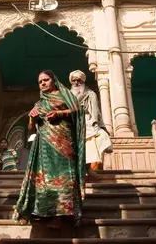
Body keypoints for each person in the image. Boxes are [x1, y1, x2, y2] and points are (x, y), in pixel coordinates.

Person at [14, 70, 86, 230]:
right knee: (44, 180)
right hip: (43, 147)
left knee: (63, 177)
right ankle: (43, 212)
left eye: (46, 80)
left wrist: (60, 113)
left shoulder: (65, 95)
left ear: (54, 80)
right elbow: (31, 128)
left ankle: (60, 216)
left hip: (64, 144)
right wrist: (32, 118)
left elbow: (78, 111)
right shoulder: (39, 104)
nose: (43, 83)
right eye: (40, 82)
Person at [69, 70, 112, 174]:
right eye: (74, 80)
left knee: (97, 140)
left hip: (88, 122)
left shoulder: (90, 94)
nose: (76, 83)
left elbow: (96, 111)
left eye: (78, 80)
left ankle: (89, 168)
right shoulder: (68, 95)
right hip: (72, 122)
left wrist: (98, 124)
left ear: (83, 81)